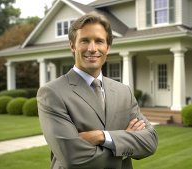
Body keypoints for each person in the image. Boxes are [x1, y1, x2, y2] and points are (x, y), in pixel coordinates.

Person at [37, 11, 158, 169]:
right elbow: (73, 158)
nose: (92, 48)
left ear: (107, 48)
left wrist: (101, 137)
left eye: (99, 41)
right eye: (85, 41)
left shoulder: (124, 92)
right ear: (72, 46)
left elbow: (150, 142)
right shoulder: (52, 93)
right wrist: (124, 143)